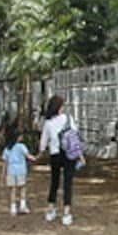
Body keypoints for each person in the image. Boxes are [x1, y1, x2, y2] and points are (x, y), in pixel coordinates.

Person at [39, 95, 85, 226]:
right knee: (68, 183)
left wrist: (40, 152)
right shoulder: (68, 119)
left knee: (54, 182)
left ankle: (51, 210)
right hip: (70, 154)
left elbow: (43, 143)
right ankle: (66, 213)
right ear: (59, 108)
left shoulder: (48, 123)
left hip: (55, 154)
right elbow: (75, 138)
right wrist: (80, 155)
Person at [0, 126, 37, 216]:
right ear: (17, 137)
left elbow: (5, 163)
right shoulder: (21, 146)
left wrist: (3, 175)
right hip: (21, 171)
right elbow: (28, 156)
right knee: (22, 188)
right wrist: (35, 158)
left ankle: (13, 208)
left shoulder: (7, 149)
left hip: (11, 171)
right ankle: (22, 206)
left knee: (13, 189)